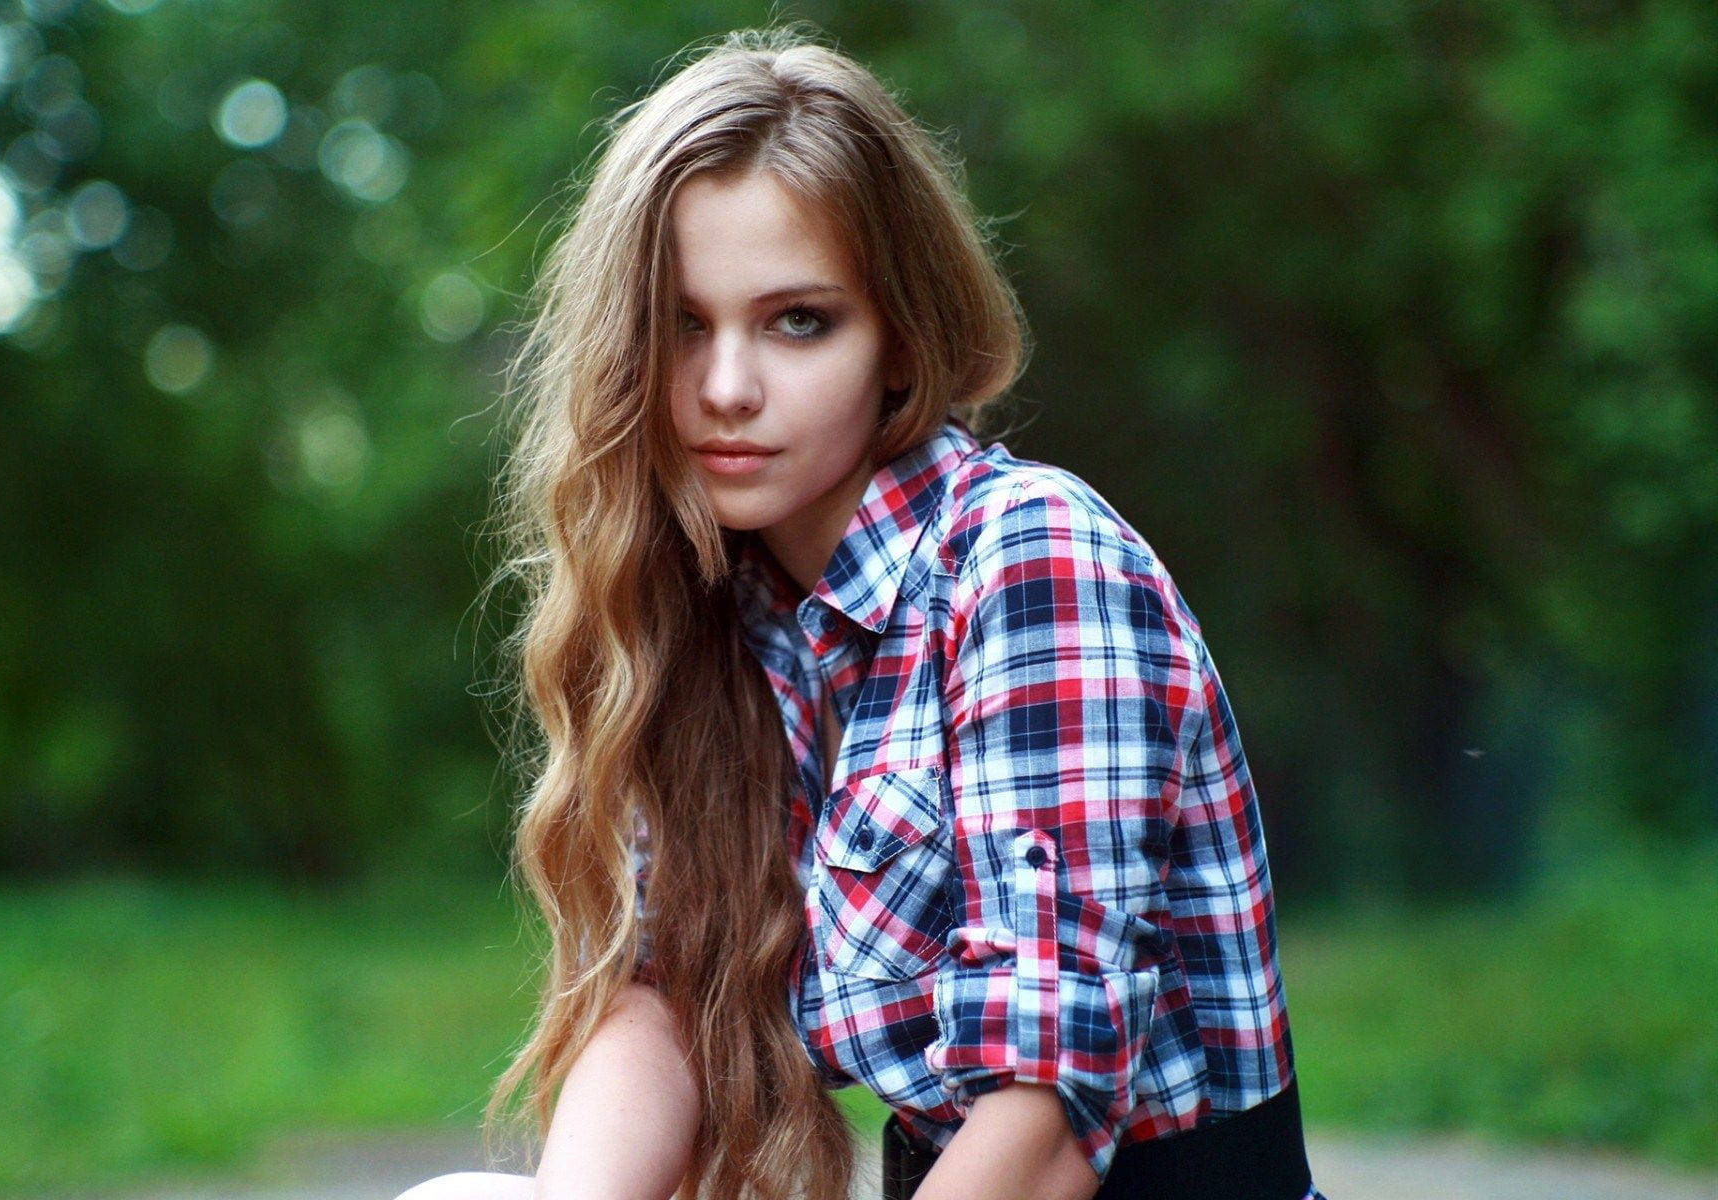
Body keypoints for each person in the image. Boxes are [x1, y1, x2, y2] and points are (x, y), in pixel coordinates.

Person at [397, 24, 1325, 1200]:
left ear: (900, 337)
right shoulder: (717, 610)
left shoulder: (1028, 557)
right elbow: (666, 996)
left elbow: (1040, 1120)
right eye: (684, 324)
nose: (727, 388)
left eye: (798, 321)